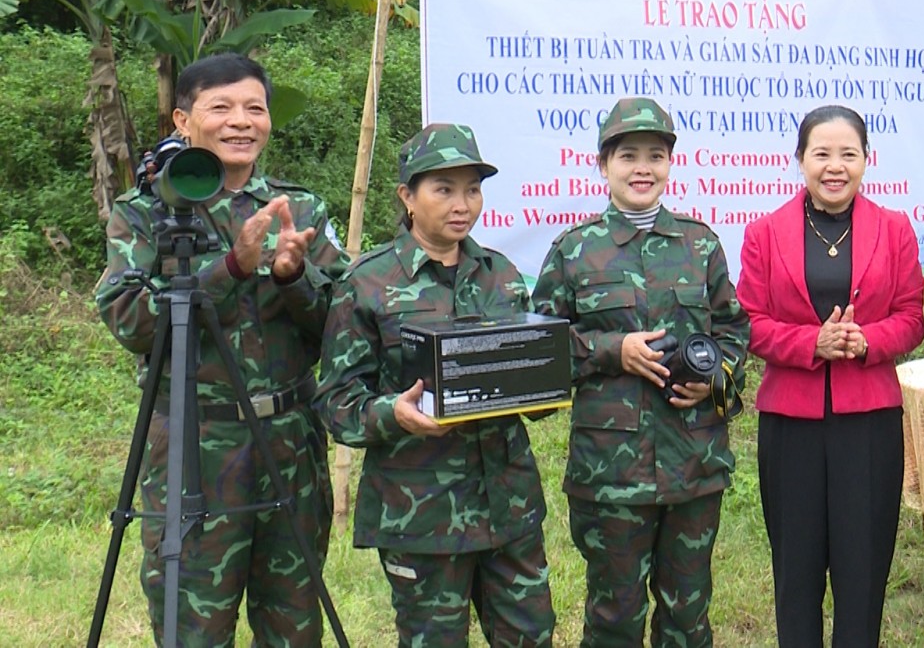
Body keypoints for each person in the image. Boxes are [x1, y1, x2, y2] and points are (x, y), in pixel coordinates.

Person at [96, 52, 349, 645]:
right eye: (222, 108)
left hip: (291, 442)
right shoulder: (147, 212)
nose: (242, 121)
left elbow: (342, 325)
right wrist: (230, 266)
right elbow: (130, 319)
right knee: (193, 625)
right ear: (184, 121)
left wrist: (293, 277)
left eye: (254, 108)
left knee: (294, 622)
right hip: (195, 448)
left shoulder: (301, 208)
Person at [316, 123, 556, 646]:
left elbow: (529, 376)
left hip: (508, 507)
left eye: (472, 188)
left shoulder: (502, 275)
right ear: (407, 196)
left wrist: (542, 388)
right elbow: (335, 403)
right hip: (420, 514)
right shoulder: (367, 283)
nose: (461, 203)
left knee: (532, 637)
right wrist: (392, 413)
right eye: (443, 189)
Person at [531, 97, 750, 648]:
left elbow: (733, 332)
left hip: (693, 466)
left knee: (688, 619)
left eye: (656, 155)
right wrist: (612, 350)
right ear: (603, 165)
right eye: (628, 155)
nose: (642, 168)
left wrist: (715, 378)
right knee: (614, 620)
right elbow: (540, 353)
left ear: (671, 164)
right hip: (611, 474)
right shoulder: (574, 252)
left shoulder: (700, 245)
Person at [736, 105, 924, 647]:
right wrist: (810, 342)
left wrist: (868, 340)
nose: (835, 166)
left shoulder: (894, 230)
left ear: (868, 160)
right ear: (800, 160)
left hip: (868, 423)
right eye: (822, 154)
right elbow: (748, 322)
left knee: (862, 574)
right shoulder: (765, 233)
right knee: (795, 574)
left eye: (849, 153)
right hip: (790, 424)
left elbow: (913, 317)